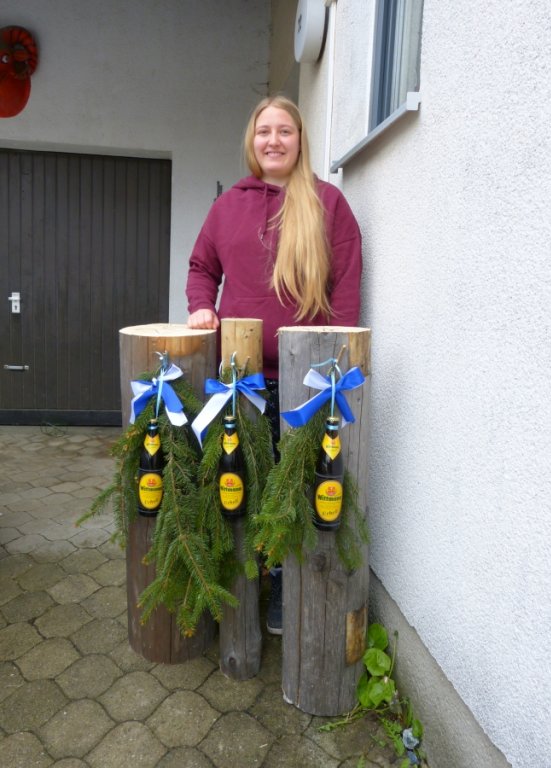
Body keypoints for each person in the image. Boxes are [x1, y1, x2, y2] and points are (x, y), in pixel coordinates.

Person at [186, 94, 362, 633]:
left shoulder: (328, 204)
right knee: (239, 485)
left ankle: (286, 584)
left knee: (293, 493)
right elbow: (201, 266)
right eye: (264, 131)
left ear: (299, 140)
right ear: (252, 140)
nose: (273, 141)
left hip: (306, 384)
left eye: (285, 131)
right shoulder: (228, 206)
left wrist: (339, 355)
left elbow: (348, 283)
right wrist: (200, 306)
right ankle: (237, 586)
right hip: (240, 382)